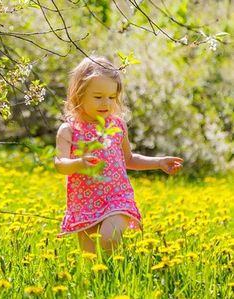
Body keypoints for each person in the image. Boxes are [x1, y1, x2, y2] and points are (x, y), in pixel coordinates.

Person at [54, 56, 183, 254]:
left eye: (111, 97)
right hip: (84, 202)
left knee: (108, 238)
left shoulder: (117, 125)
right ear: (79, 95)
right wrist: (78, 163)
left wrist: (158, 162)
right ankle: (104, 281)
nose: (106, 103)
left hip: (117, 197)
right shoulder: (69, 130)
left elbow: (129, 159)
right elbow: (60, 163)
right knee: (90, 259)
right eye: (98, 97)